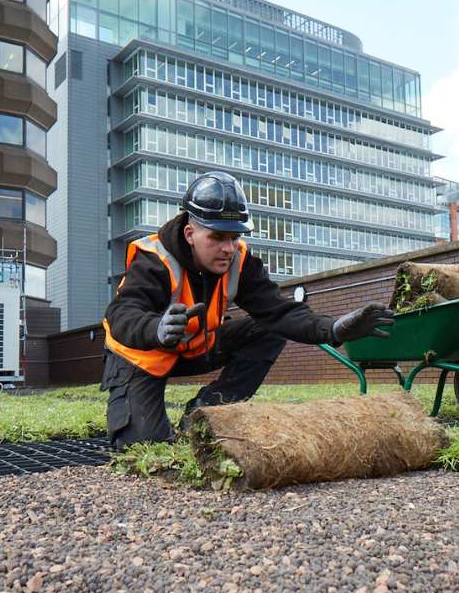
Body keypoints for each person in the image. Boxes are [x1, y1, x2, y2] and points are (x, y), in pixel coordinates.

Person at [102, 171, 394, 450]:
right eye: (217, 237)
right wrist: (156, 329)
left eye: (234, 236)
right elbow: (121, 315)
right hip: (142, 355)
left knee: (268, 328)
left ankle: (208, 410)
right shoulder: (154, 259)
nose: (228, 248)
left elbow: (279, 312)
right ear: (190, 233)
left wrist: (332, 328)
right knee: (144, 444)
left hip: (194, 348)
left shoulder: (239, 260)